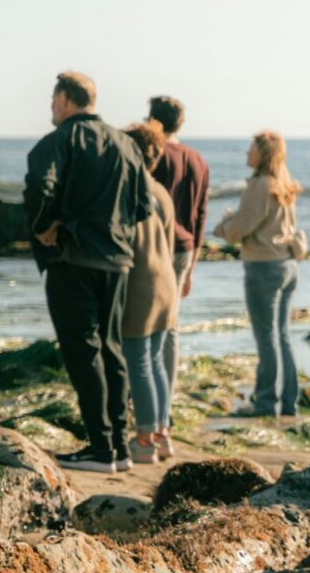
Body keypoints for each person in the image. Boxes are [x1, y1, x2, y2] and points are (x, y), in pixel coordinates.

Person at [24, 71, 153, 473]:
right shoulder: (128, 145)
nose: (50, 106)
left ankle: (100, 447)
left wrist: (43, 227)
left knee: (83, 352)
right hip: (117, 259)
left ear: (65, 99)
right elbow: (144, 207)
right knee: (112, 349)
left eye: (52, 98)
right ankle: (118, 446)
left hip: (73, 259)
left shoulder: (57, 141)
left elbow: (39, 191)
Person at [215, 130, 307, 417]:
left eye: (251, 148)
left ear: (263, 153)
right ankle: (288, 402)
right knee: (282, 336)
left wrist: (224, 224)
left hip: (264, 267)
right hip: (287, 265)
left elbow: (242, 227)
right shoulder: (283, 183)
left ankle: (266, 402)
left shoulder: (259, 185)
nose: (247, 153)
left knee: (267, 337)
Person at [120, 122, 181, 465]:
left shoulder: (130, 188)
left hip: (142, 282)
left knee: (139, 361)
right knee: (155, 360)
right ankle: (161, 433)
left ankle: (144, 439)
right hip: (166, 280)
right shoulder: (160, 190)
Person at [147, 95, 209, 402]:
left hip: (156, 247)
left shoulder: (156, 156)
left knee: (144, 325)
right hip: (185, 249)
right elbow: (200, 217)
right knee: (170, 324)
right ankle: (166, 399)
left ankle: (148, 397)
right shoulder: (197, 159)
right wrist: (192, 267)